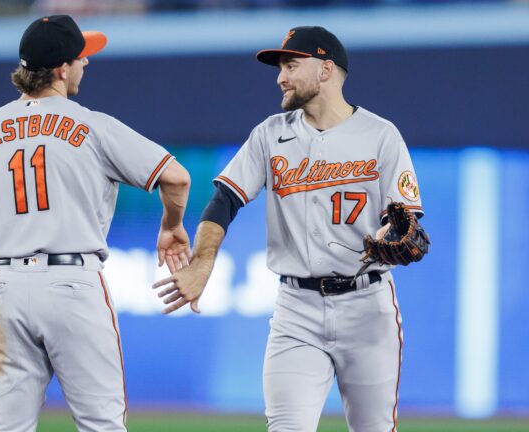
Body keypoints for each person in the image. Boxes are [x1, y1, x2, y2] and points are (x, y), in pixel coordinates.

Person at [153, 26, 427, 431]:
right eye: (280, 66)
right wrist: (203, 261)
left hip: (367, 307)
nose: (281, 76)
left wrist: (393, 233)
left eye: (291, 64)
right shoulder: (270, 133)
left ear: (326, 70)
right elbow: (224, 200)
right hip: (296, 310)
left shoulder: (381, 135)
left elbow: (404, 217)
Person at [0, 15, 191, 432]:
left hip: (5, 288)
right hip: (73, 283)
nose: (86, 64)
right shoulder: (92, 125)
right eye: (81, 57)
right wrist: (171, 225)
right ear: (61, 69)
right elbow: (177, 177)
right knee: (102, 426)